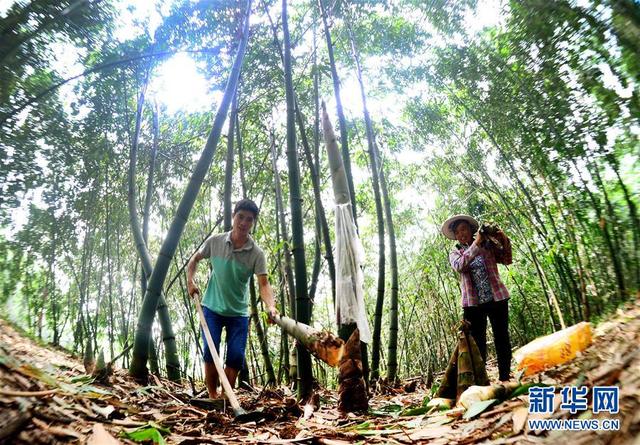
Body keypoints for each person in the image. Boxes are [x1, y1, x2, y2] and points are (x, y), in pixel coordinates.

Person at [187, 199, 278, 398]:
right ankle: (213, 396)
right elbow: (194, 259)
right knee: (211, 352)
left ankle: (227, 398)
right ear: (233, 216)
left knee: (236, 356)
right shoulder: (215, 241)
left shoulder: (256, 253)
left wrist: (271, 306)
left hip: (238, 312)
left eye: (249, 219)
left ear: (253, 223)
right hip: (211, 307)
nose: (244, 222)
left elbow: (264, 284)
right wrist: (190, 282)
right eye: (241, 217)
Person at [442, 214, 513, 382]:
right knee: (476, 344)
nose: (461, 233)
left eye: (464, 229)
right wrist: (476, 244)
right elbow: (460, 266)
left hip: (497, 299)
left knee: (502, 338)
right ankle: (482, 382)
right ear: (455, 235)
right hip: (473, 305)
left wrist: (504, 239)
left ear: (471, 230)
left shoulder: (487, 244)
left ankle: (505, 378)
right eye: (458, 232)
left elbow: (507, 259)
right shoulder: (455, 252)